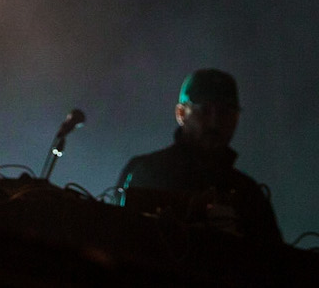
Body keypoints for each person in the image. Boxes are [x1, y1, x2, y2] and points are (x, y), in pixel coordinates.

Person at [112, 69, 282, 246]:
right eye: (205, 111)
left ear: (236, 118)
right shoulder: (146, 171)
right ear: (181, 114)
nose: (214, 122)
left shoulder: (249, 193)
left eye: (224, 112)